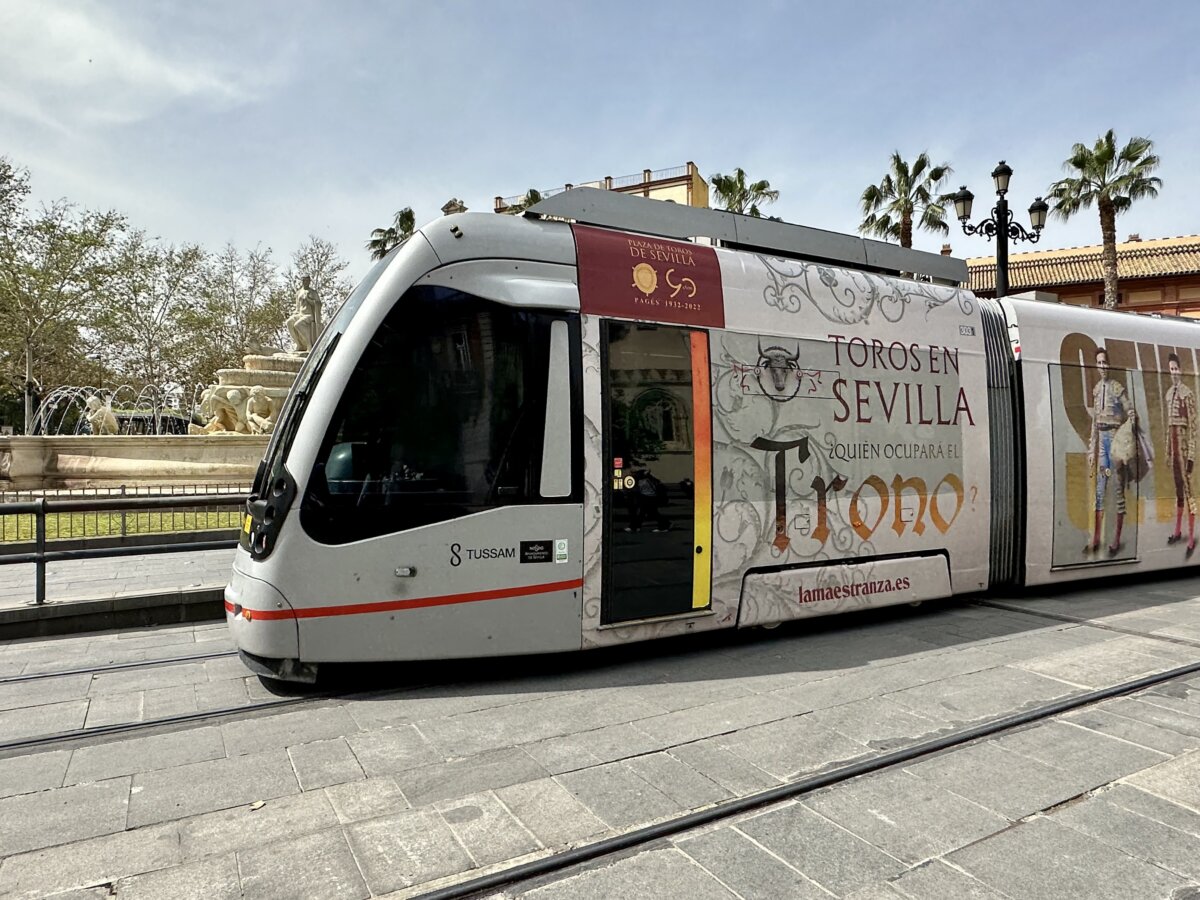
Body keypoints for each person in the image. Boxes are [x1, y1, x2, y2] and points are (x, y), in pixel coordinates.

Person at [1084, 346, 1136, 556]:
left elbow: (1129, 409)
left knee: (1117, 489)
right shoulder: (1097, 389)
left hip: (1114, 440)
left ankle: (1115, 540)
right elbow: (1095, 422)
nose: (1103, 367)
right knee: (1100, 488)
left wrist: (1127, 431)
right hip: (1103, 443)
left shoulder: (1116, 387)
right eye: (1100, 363)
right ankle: (1097, 537)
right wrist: (1091, 449)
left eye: (1105, 362)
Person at [1164, 352, 1197, 553]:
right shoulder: (1169, 394)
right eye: (1171, 369)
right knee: (1178, 488)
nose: (1174, 372)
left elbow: (1193, 426)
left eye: (1176, 368)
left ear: (1181, 370)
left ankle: (1191, 537)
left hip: (1184, 446)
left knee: (1188, 490)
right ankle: (1178, 531)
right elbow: (1169, 426)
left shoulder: (1187, 394)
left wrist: (1191, 454)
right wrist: (1168, 451)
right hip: (1174, 445)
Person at [625, 468, 670, 533]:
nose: (635, 474)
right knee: (643, 513)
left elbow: (639, 490)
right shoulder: (644, 480)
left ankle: (665, 525)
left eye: (636, 473)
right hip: (648, 498)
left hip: (649, 498)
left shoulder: (645, 481)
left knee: (652, 513)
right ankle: (635, 527)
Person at [286, 275, 322, 353]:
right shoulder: (299, 292)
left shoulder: (313, 292)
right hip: (300, 314)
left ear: (309, 281)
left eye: (306, 280)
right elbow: (297, 307)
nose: (304, 282)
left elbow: (318, 304)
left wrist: (309, 300)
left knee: (298, 325)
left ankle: (309, 345)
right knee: (289, 322)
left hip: (309, 315)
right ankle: (299, 344)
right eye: (303, 280)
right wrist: (294, 314)